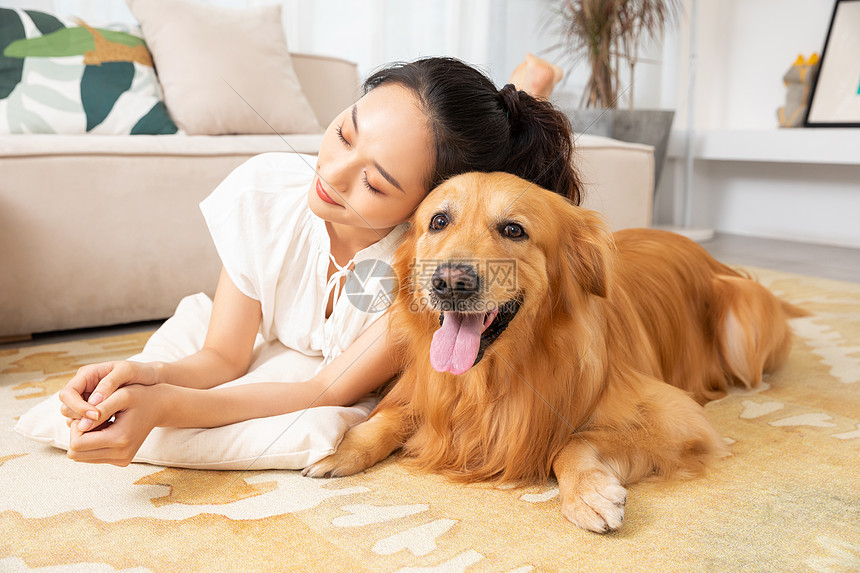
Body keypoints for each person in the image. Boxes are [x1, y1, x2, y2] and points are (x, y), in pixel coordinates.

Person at [58, 55, 582, 466]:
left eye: (375, 182)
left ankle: (529, 85)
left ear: (421, 210)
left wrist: (164, 410)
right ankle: (522, 86)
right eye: (344, 133)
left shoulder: (418, 270)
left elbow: (323, 390)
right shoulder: (266, 198)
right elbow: (222, 357)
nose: (331, 175)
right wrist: (144, 375)